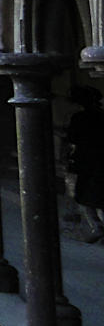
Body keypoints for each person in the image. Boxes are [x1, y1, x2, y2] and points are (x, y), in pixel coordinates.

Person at [68, 84, 104, 243]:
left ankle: (97, 226)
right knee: (97, 195)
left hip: (86, 161)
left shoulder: (79, 118)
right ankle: (98, 227)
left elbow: (72, 139)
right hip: (98, 160)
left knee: (85, 196)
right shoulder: (101, 116)